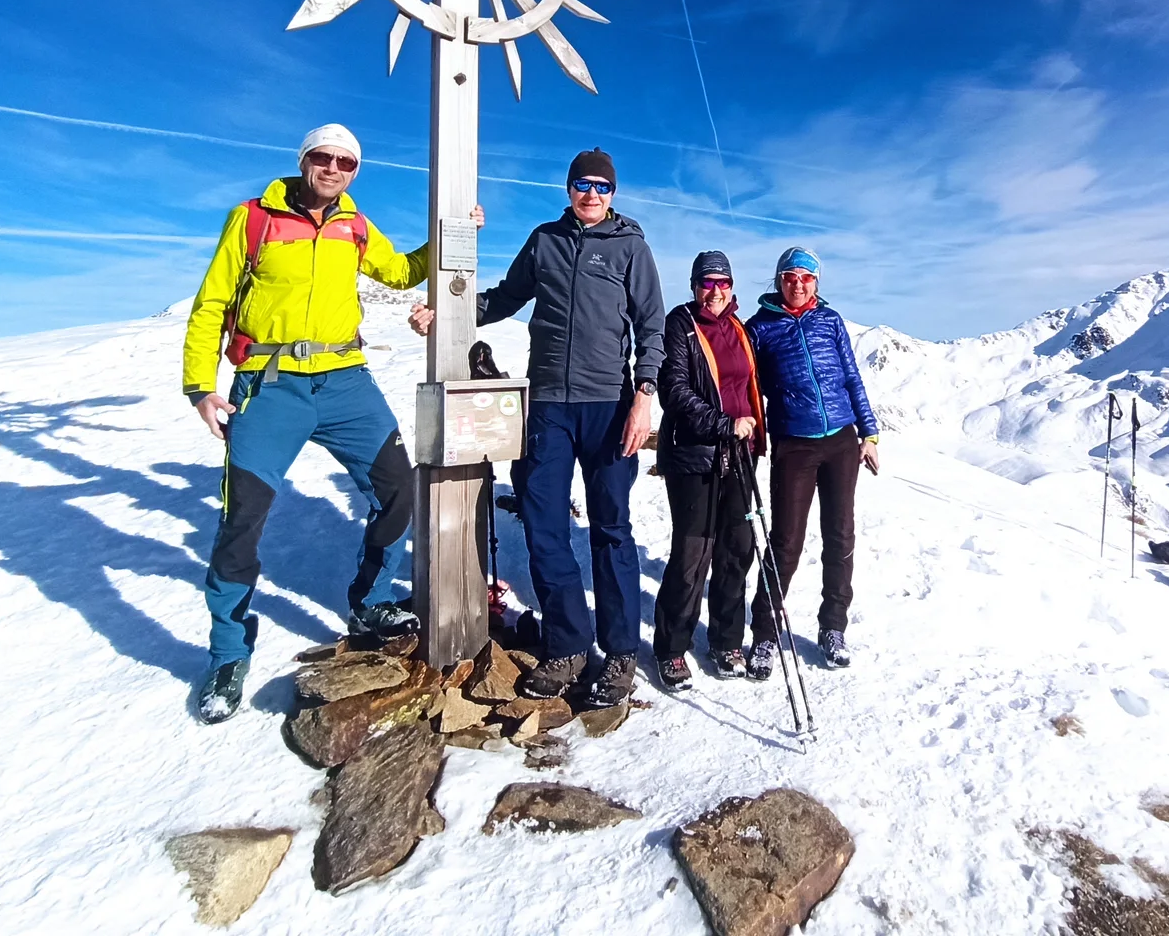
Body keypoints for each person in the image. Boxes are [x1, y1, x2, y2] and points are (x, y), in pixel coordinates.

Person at [182, 124, 471, 725]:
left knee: (399, 489)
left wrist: (458, 232)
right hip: (270, 383)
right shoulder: (254, 218)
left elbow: (400, 271)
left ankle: (369, 603)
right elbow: (211, 302)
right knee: (243, 518)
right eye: (323, 157)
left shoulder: (356, 227)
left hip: (345, 381)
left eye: (347, 162)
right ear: (304, 160)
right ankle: (228, 655)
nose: (334, 168)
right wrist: (200, 388)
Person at [474, 148, 665, 709]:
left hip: (609, 404)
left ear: (613, 194)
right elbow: (506, 298)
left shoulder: (631, 247)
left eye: (602, 187)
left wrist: (643, 397)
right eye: (583, 185)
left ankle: (622, 650)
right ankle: (568, 646)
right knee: (543, 523)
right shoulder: (544, 241)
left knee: (610, 527)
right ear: (568, 188)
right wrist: (451, 311)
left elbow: (650, 325)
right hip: (548, 407)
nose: (592, 195)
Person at [745, 247, 879, 677]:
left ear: (817, 282)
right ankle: (765, 634)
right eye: (789, 276)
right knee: (786, 542)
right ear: (778, 280)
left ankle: (833, 627)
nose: (797, 283)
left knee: (840, 537)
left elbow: (852, 377)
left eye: (806, 276)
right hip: (794, 445)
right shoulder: (760, 328)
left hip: (841, 440)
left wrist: (869, 432)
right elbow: (747, 385)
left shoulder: (831, 321)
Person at [652, 251, 764, 690]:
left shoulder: (739, 328)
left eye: (723, 283)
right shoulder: (680, 325)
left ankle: (725, 639)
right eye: (707, 282)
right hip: (695, 455)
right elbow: (674, 390)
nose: (715, 291)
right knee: (692, 554)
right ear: (694, 285)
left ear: (732, 287)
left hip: (742, 454)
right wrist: (723, 425)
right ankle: (672, 646)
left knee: (737, 549)